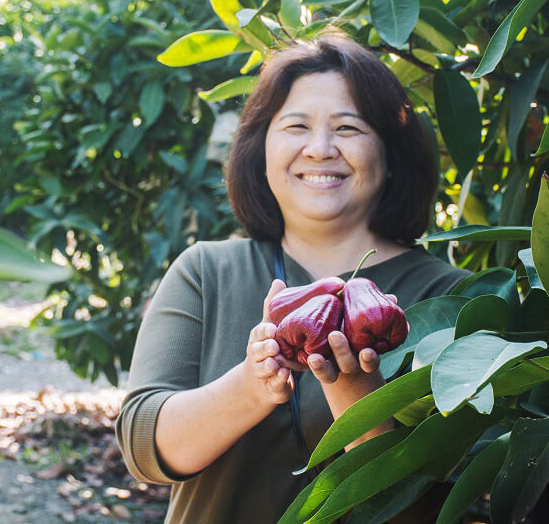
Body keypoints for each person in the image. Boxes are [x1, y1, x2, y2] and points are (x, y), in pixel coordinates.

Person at [115, 33, 469, 523]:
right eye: (296, 126)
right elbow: (143, 449)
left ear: (390, 155)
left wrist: (357, 397)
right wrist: (252, 385)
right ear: (262, 151)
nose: (320, 149)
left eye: (349, 128)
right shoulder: (206, 271)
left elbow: (447, 503)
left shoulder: (453, 297)